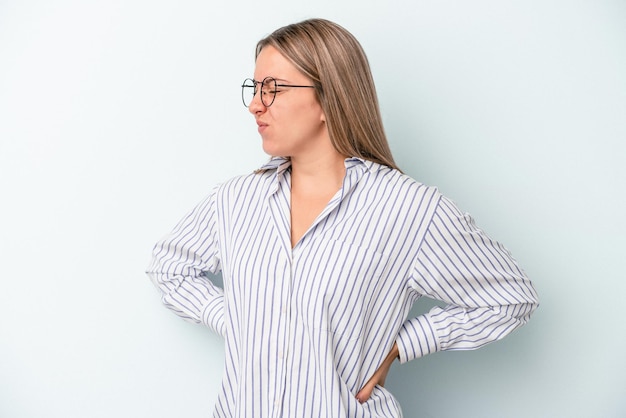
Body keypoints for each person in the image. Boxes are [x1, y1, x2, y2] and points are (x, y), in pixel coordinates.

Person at [146, 18, 539, 418]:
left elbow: (510, 298)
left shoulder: (408, 210)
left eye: (273, 89)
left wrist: (404, 344)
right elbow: (169, 266)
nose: (255, 104)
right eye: (255, 88)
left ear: (327, 97)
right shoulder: (236, 200)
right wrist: (236, 320)